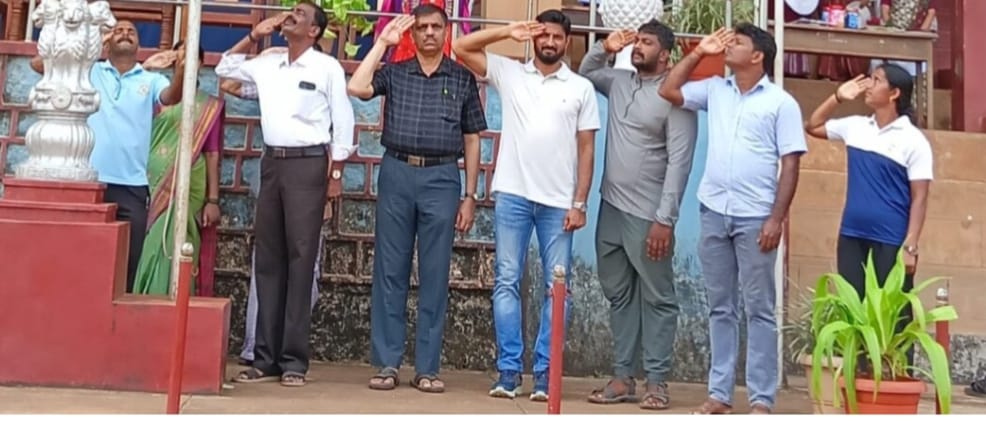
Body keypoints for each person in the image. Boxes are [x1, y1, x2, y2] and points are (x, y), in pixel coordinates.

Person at [658, 23, 807, 414]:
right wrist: (698, 52)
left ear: (757, 56)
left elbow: (791, 165)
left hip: (756, 218)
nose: (727, 46)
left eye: (737, 43)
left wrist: (776, 219)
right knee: (720, 308)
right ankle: (719, 395)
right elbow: (669, 90)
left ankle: (761, 399)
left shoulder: (781, 103)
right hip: (714, 211)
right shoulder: (716, 89)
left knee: (759, 309)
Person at [453, 10, 600, 401]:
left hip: (559, 204)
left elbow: (587, 149)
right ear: (534, 37)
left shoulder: (581, 88)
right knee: (506, 282)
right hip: (513, 196)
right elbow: (460, 46)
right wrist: (507, 30)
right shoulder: (511, 73)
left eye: (556, 36)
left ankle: (546, 375)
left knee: (558, 289)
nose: (549, 42)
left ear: (567, 41)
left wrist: (580, 202)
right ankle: (509, 372)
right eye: (543, 35)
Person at [348, 4, 487, 393]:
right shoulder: (395, 73)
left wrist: (470, 194)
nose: (428, 33)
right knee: (389, 271)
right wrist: (382, 43)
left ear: (446, 32)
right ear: (412, 34)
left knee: (435, 273)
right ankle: (387, 363)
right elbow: (357, 87)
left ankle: (428, 368)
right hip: (397, 172)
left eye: (435, 27)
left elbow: (472, 138)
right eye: (422, 27)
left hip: (442, 178)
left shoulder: (462, 77)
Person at [216, 1, 356, 387]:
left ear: (314, 31)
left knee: (301, 258)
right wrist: (254, 35)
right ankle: (264, 359)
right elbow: (224, 68)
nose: (291, 15)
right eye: (290, 10)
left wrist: (336, 173)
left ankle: (294, 360)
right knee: (269, 259)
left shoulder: (326, 67)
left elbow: (344, 121)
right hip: (272, 163)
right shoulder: (268, 63)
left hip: (309, 164)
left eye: (301, 14)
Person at [578, 21, 697, 410]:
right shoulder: (619, 82)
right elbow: (586, 73)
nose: (638, 47)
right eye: (637, 41)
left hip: (649, 215)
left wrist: (666, 219)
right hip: (610, 208)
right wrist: (605, 47)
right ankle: (622, 377)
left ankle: (657, 382)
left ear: (665, 54)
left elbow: (680, 163)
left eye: (647, 43)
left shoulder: (675, 97)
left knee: (658, 297)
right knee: (619, 294)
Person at [29, 20, 186, 293]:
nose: (124, 34)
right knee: (81, 254)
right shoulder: (90, 70)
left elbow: (171, 97)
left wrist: (181, 71)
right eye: (118, 30)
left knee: (128, 262)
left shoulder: (150, 79)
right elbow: (39, 65)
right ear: (108, 41)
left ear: (139, 44)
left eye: (131, 31)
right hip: (90, 181)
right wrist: (94, 43)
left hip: (132, 185)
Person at [804, 64, 931, 369]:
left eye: (876, 80)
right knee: (853, 309)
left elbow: (920, 197)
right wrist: (838, 96)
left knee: (894, 315)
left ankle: (894, 377)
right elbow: (813, 125)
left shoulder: (913, 140)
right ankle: (857, 378)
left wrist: (911, 245)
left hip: (891, 240)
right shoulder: (856, 127)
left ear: (895, 93)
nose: (868, 86)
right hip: (852, 235)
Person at [219, 45, 324, 366]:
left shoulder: (325, 77)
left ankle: (289, 350)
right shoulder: (272, 78)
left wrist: (330, 188)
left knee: (306, 268)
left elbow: (337, 136)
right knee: (267, 264)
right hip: (273, 174)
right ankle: (257, 347)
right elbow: (228, 82)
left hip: (309, 178)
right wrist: (264, 57)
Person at [133, 41, 223, 296]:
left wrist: (213, 200)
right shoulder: (155, 96)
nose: (184, 61)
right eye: (179, 56)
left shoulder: (209, 106)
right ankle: (147, 297)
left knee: (181, 239)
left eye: (190, 57)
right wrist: (147, 67)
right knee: (153, 239)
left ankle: (179, 298)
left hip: (192, 181)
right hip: (153, 177)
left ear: (201, 63)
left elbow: (212, 153)